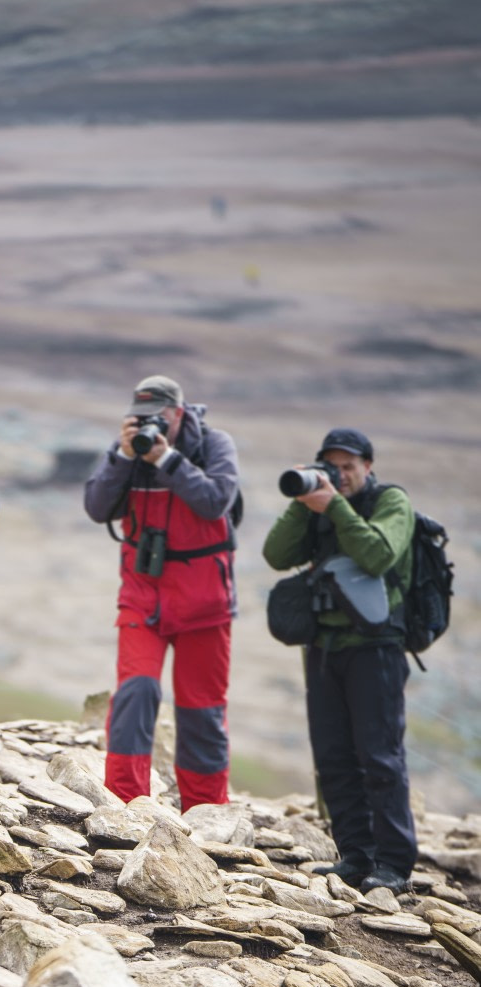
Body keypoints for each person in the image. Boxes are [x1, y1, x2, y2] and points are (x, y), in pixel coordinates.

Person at [263, 428, 416, 894]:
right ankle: (354, 856)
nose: (342, 474)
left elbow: (377, 555)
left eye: (349, 466)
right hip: (324, 648)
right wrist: (303, 499)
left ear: (368, 466)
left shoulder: (392, 502)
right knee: (333, 756)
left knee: (379, 757)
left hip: (376, 649)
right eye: (333, 466)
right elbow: (275, 554)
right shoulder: (320, 506)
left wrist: (335, 505)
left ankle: (393, 864)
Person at [84, 374, 240, 810]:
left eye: (158, 419)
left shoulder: (214, 446)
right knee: (136, 693)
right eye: (141, 419)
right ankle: (125, 805)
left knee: (201, 710)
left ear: (178, 413)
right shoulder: (128, 451)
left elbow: (216, 500)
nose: (150, 427)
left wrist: (167, 459)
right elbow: (97, 506)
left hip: (205, 603)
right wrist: (121, 456)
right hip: (143, 595)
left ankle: (206, 811)